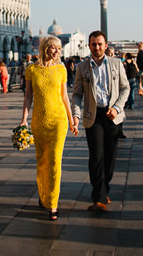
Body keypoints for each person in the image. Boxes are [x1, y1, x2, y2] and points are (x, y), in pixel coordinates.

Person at [72, 30, 129, 211]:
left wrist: (117, 108)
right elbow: (77, 94)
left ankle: (105, 188)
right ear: (89, 46)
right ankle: (99, 197)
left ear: (105, 45)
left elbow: (125, 88)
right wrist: (76, 114)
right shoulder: (82, 67)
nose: (96, 47)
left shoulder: (116, 63)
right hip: (93, 116)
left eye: (99, 44)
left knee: (110, 158)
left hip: (112, 115)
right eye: (93, 44)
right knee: (96, 156)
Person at [22, 35, 77, 220]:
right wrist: (24, 119)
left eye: (59, 49)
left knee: (54, 161)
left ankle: (52, 203)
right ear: (45, 48)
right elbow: (28, 96)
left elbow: (65, 97)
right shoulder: (31, 70)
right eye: (54, 47)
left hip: (58, 121)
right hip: (39, 121)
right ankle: (43, 194)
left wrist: (71, 120)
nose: (56, 51)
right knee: (42, 160)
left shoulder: (61, 69)